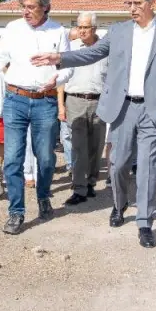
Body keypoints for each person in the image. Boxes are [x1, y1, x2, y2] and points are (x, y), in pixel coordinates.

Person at [33, 0, 156, 249]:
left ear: (152, 3)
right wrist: (60, 58)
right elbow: (92, 53)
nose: (132, 8)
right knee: (118, 164)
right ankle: (119, 203)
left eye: (137, 3)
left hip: (152, 111)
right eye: (129, 3)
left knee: (148, 167)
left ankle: (145, 222)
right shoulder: (118, 31)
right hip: (122, 108)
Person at [0, 0, 72, 235]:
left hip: (45, 101)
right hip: (15, 100)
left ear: (45, 7)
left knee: (45, 158)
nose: (26, 12)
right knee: (13, 158)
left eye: (31, 7)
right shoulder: (13, 29)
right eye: (23, 7)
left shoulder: (58, 31)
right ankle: (16, 212)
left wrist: (57, 80)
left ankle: (43, 196)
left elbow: (68, 66)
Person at [61, 12, 108, 205]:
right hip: (75, 101)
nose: (81, 30)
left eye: (85, 27)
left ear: (94, 28)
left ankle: (90, 183)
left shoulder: (105, 48)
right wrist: (61, 105)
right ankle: (79, 188)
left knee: (96, 146)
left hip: (99, 102)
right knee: (78, 147)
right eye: (79, 27)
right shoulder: (71, 48)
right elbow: (61, 79)